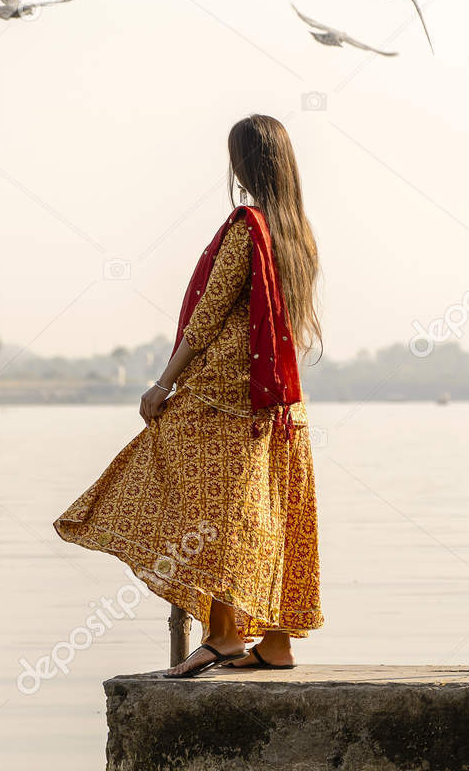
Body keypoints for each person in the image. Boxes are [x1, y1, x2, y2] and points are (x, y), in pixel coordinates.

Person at [54, 114, 324, 674]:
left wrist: (163, 383)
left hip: (225, 395)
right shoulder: (297, 232)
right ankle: (275, 642)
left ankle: (225, 635)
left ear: (245, 164)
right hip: (279, 399)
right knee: (267, 508)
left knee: (220, 508)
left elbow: (206, 318)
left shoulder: (248, 227)